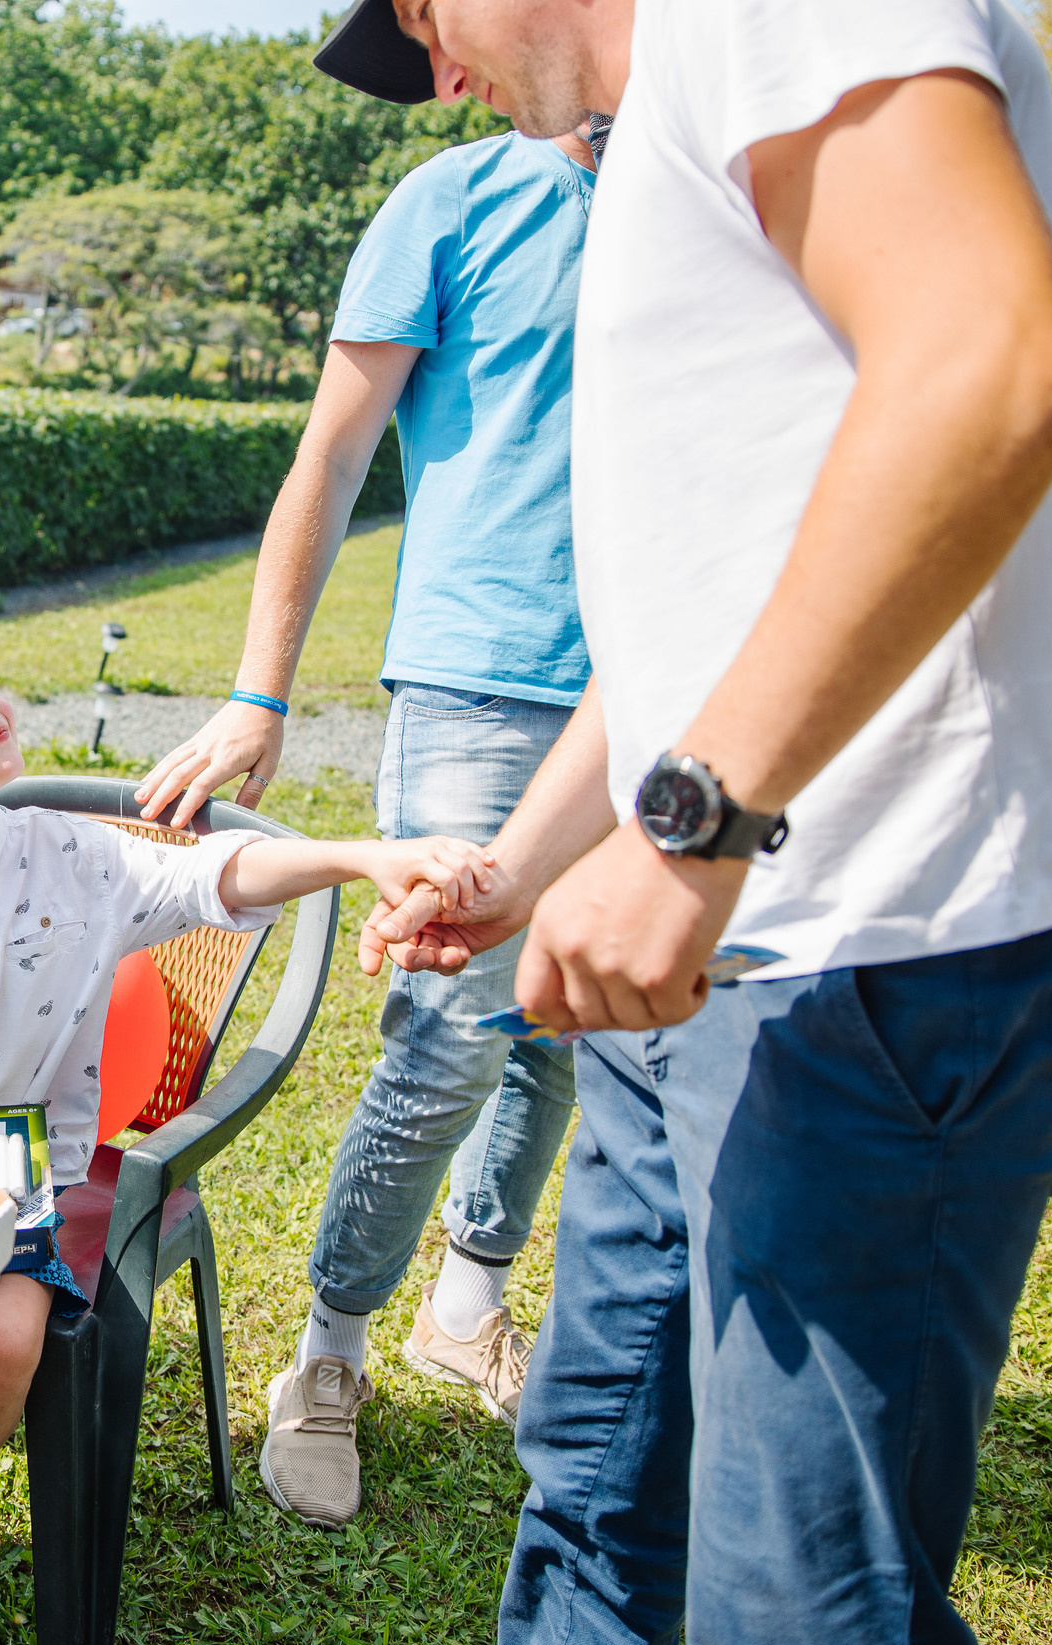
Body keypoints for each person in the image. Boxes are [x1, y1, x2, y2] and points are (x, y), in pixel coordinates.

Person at [362, 0, 1052, 1645]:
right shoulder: (657, 143)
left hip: (879, 955)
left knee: (808, 1637)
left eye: (422, 16)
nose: (439, 78)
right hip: (718, 970)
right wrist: (528, 858)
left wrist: (695, 826)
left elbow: (998, 365)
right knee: (589, 1510)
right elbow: (694, 615)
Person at [0, 609, 493, 1645]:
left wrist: (368, 856)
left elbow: (223, 879)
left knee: (8, 1340)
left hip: (18, 1194)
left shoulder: (77, 859)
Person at [132, 2, 599, 1527]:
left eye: (437, 43)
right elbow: (330, 455)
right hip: (480, 677)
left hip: (660, 692)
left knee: (575, 1032)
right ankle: (327, 1350)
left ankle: (466, 1301)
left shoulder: (711, 178)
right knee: (453, 1025)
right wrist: (260, 689)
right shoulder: (450, 200)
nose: (446, 87)